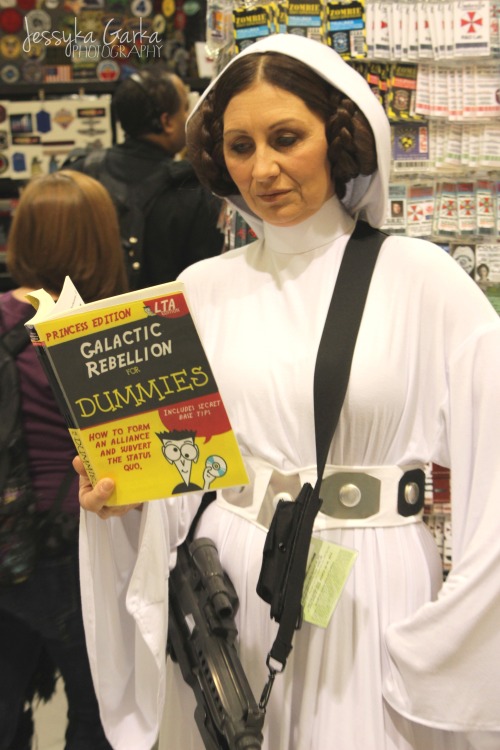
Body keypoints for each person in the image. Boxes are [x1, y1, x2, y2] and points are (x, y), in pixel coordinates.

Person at [75, 34, 500, 750]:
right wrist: (120, 499)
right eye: (239, 146)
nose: (262, 169)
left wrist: (442, 646)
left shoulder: (424, 282)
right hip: (228, 592)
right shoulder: (200, 291)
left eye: (286, 137)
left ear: (339, 140)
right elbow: (179, 470)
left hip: (373, 595)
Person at [0, 170, 128, 750]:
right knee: (100, 711)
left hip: (8, 540)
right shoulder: (118, 328)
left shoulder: (3, 314)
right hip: (84, 543)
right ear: (102, 239)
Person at [64, 68, 225, 287]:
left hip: (83, 318)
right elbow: (205, 282)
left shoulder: (80, 173)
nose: (188, 117)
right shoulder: (191, 187)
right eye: (185, 109)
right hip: (166, 320)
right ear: (166, 121)